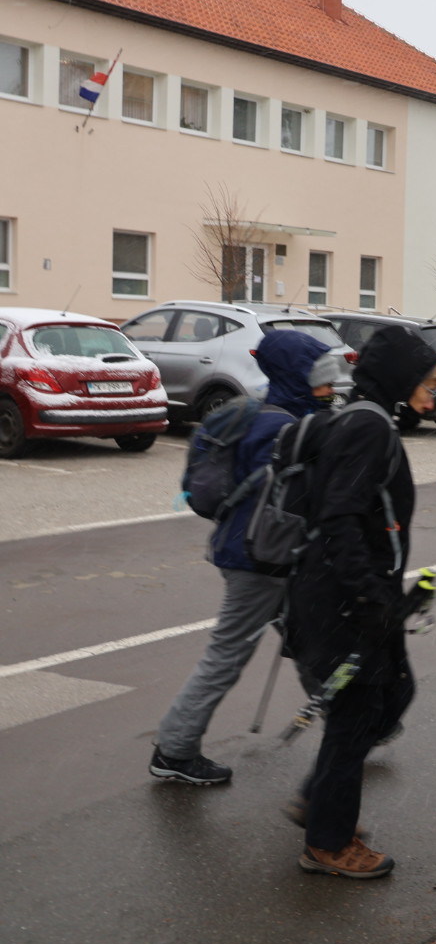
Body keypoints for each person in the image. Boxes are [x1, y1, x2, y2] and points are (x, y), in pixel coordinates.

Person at [284, 324, 436, 879]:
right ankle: (327, 842)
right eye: (430, 379)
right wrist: (371, 599)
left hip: (354, 595)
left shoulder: (369, 419)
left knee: (393, 692)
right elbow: (340, 518)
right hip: (341, 601)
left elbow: (366, 518)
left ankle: (320, 802)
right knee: (355, 718)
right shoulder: (368, 428)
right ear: (402, 378)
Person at [148, 331, 341, 786]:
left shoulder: (260, 413)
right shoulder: (283, 427)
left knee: (312, 643)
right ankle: (173, 751)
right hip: (262, 561)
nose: (330, 388)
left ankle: (355, 725)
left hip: (262, 554)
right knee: (228, 655)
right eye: (322, 379)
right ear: (297, 376)